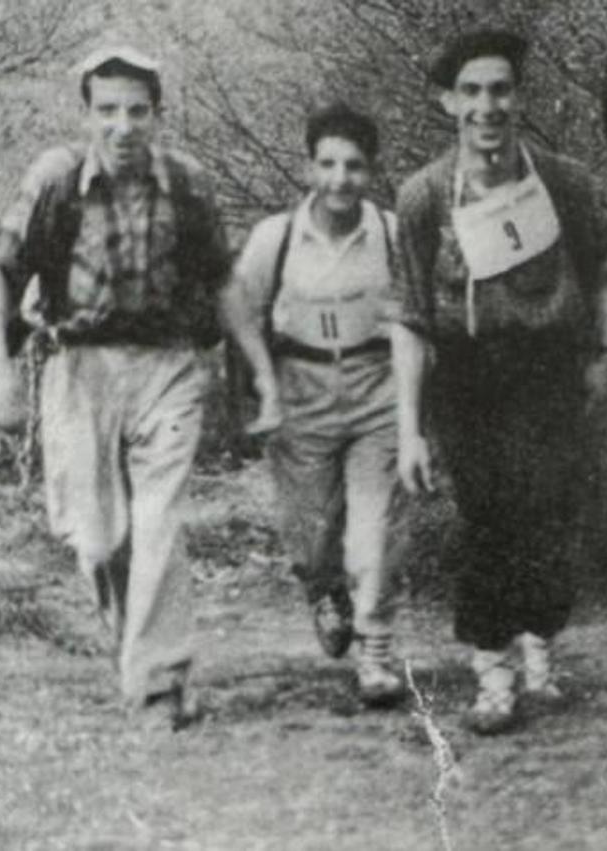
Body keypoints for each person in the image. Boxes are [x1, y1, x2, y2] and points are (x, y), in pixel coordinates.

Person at [0, 46, 233, 727]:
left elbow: (223, 279)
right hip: (80, 370)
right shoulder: (56, 179)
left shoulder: (188, 183)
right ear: (86, 114)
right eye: (108, 111)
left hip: (167, 367)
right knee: (98, 539)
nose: (124, 127)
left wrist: (243, 361)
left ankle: (158, 686)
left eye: (138, 111)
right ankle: (139, 649)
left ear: (158, 114)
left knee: (157, 521)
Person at [389, 29, 607, 734]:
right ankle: (492, 674)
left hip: (552, 368)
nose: (487, 107)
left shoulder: (563, 181)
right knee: (490, 514)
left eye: (500, 90)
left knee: (549, 509)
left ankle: (540, 655)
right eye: (471, 92)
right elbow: (408, 314)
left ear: (520, 97)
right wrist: (409, 425)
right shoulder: (424, 195)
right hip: (468, 374)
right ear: (447, 102)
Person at [219, 103, 406, 707]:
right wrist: (253, 395)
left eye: (354, 166)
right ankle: (325, 591)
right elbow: (238, 313)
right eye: (327, 164)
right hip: (301, 390)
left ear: (372, 171)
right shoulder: (275, 240)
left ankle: (376, 652)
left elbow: (422, 318)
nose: (340, 179)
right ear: (309, 167)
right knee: (311, 534)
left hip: (377, 387)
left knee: (374, 535)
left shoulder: (393, 234)